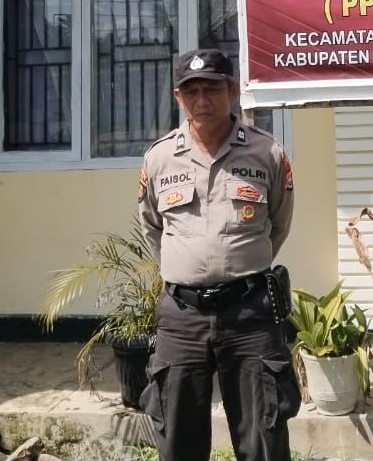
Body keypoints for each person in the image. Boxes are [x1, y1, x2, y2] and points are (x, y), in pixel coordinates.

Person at [137, 48, 299, 461]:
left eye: (211, 89)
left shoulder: (267, 153)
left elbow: (278, 224)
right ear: (178, 97)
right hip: (182, 318)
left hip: (250, 314)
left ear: (232, 91)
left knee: (262, 436)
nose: (202, 100)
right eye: (191, 91)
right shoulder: (159, 158)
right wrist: (188, 267)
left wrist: (238, 264)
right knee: (177, 437)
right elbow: (153, 226)